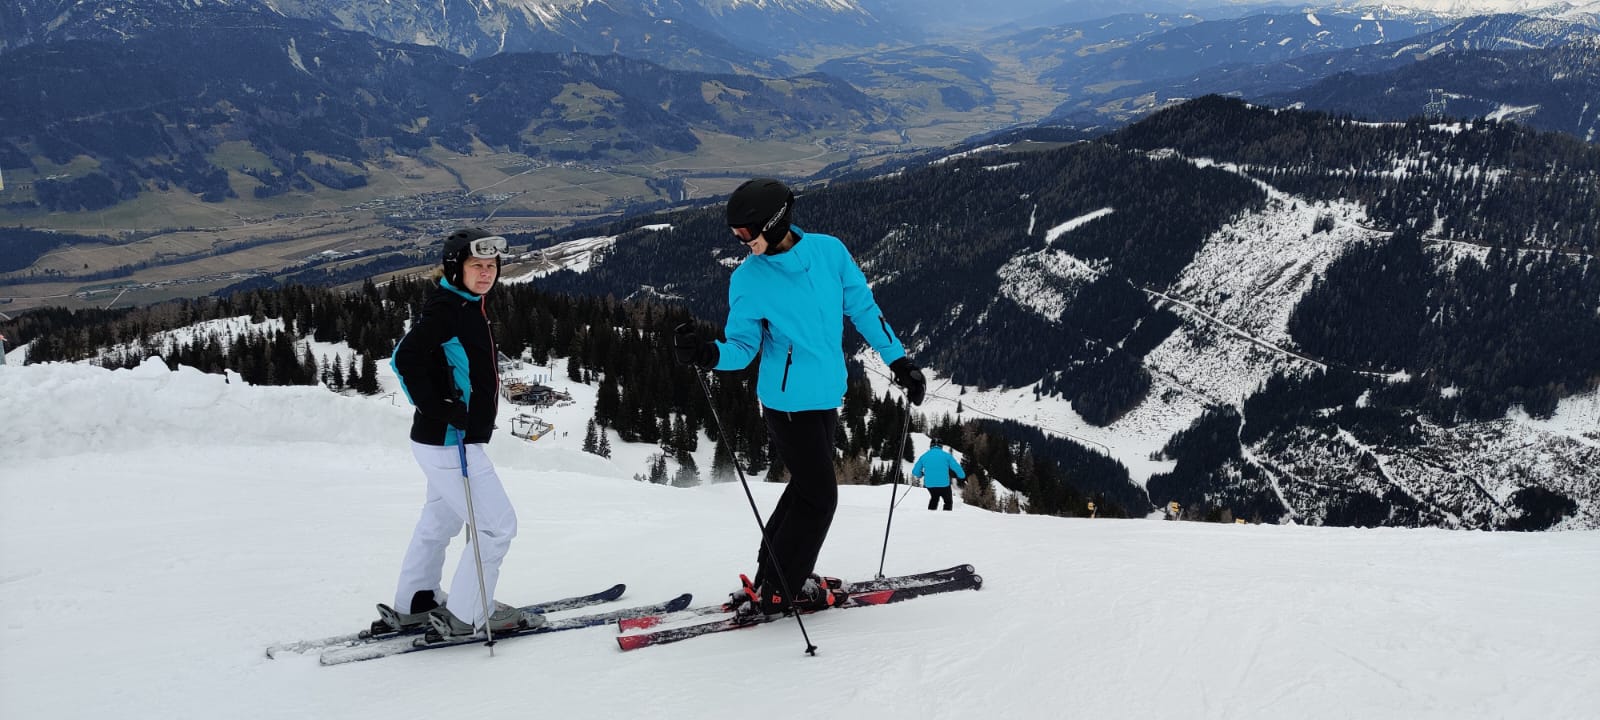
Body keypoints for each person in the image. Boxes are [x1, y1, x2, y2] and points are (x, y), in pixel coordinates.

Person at [674, 178, 927, 624]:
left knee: (805, 490)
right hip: (787, 405)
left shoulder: (829, 252)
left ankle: (771, 576)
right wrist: (709, 354)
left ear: (775, 222)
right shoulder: (748, 279)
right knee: (819, 498)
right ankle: (782, 590)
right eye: (735, 233)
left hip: (827, 396)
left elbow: (864, 309)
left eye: (746, 232)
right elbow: (742, 348)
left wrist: (899, 361)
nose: (741, 241)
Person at [386, 227, 538, 639]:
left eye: (491, 266)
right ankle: (470, 614)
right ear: (456, 268)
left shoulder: (465, 304)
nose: (486, 273)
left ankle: (417, 601)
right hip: (450, 441)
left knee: (440, 519)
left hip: (440, 440)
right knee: (496, 526)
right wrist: (438, 406)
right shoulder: (449, 308)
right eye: (477, 265)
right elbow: (403, 357)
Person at [912, 440, 966, 511]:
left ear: (931, 445)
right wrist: (961, 476)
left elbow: (915, 471)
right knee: (948, 501)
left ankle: (930, 514)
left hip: (930, 484)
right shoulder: (947, 456)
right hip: (944, 484)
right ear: (941, 446)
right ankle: (945, 515)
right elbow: (956, 467)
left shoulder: (924, 456)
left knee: (934, 498)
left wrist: (920, 474)